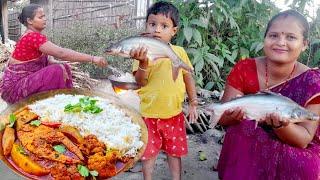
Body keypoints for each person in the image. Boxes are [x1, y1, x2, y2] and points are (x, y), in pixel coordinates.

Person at [217, 10, 320, 179]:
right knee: (242, 132)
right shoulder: (244, 68)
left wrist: (281, 126)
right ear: (264, 38)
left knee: (305, 166)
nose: (281, 42)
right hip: (250, 140)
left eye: (291, 37)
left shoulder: (313, 81)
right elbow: (222, 118)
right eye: (273, 35)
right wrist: (235, 116)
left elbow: (304, 139)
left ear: (304, 44)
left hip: (293, 141)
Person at [130, 2, 198, 180]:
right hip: (149, 115)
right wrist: (144, 63)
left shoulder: (180, 52)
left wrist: (193, 102)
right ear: (146, 26)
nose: (157, 30)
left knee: (174, 153)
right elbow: (140, 82)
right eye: (152, 24)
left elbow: (188, 77)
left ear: (174, 31)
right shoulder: (141, 52)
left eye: (164, 26)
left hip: (174, 114)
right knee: (148, 154)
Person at [0, 4, 107, 104]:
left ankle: (64, 99)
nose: (45, 19)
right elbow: (61, 53)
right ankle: (58, 103)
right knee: (57, 70)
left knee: (63, 67)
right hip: (14, 90)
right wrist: (93, 58)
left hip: (21, 84)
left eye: (44, 16)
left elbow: (48, 59)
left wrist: (59, 64)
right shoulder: (32, 37)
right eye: (40, 17)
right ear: (30, 21)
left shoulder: (33, 36)